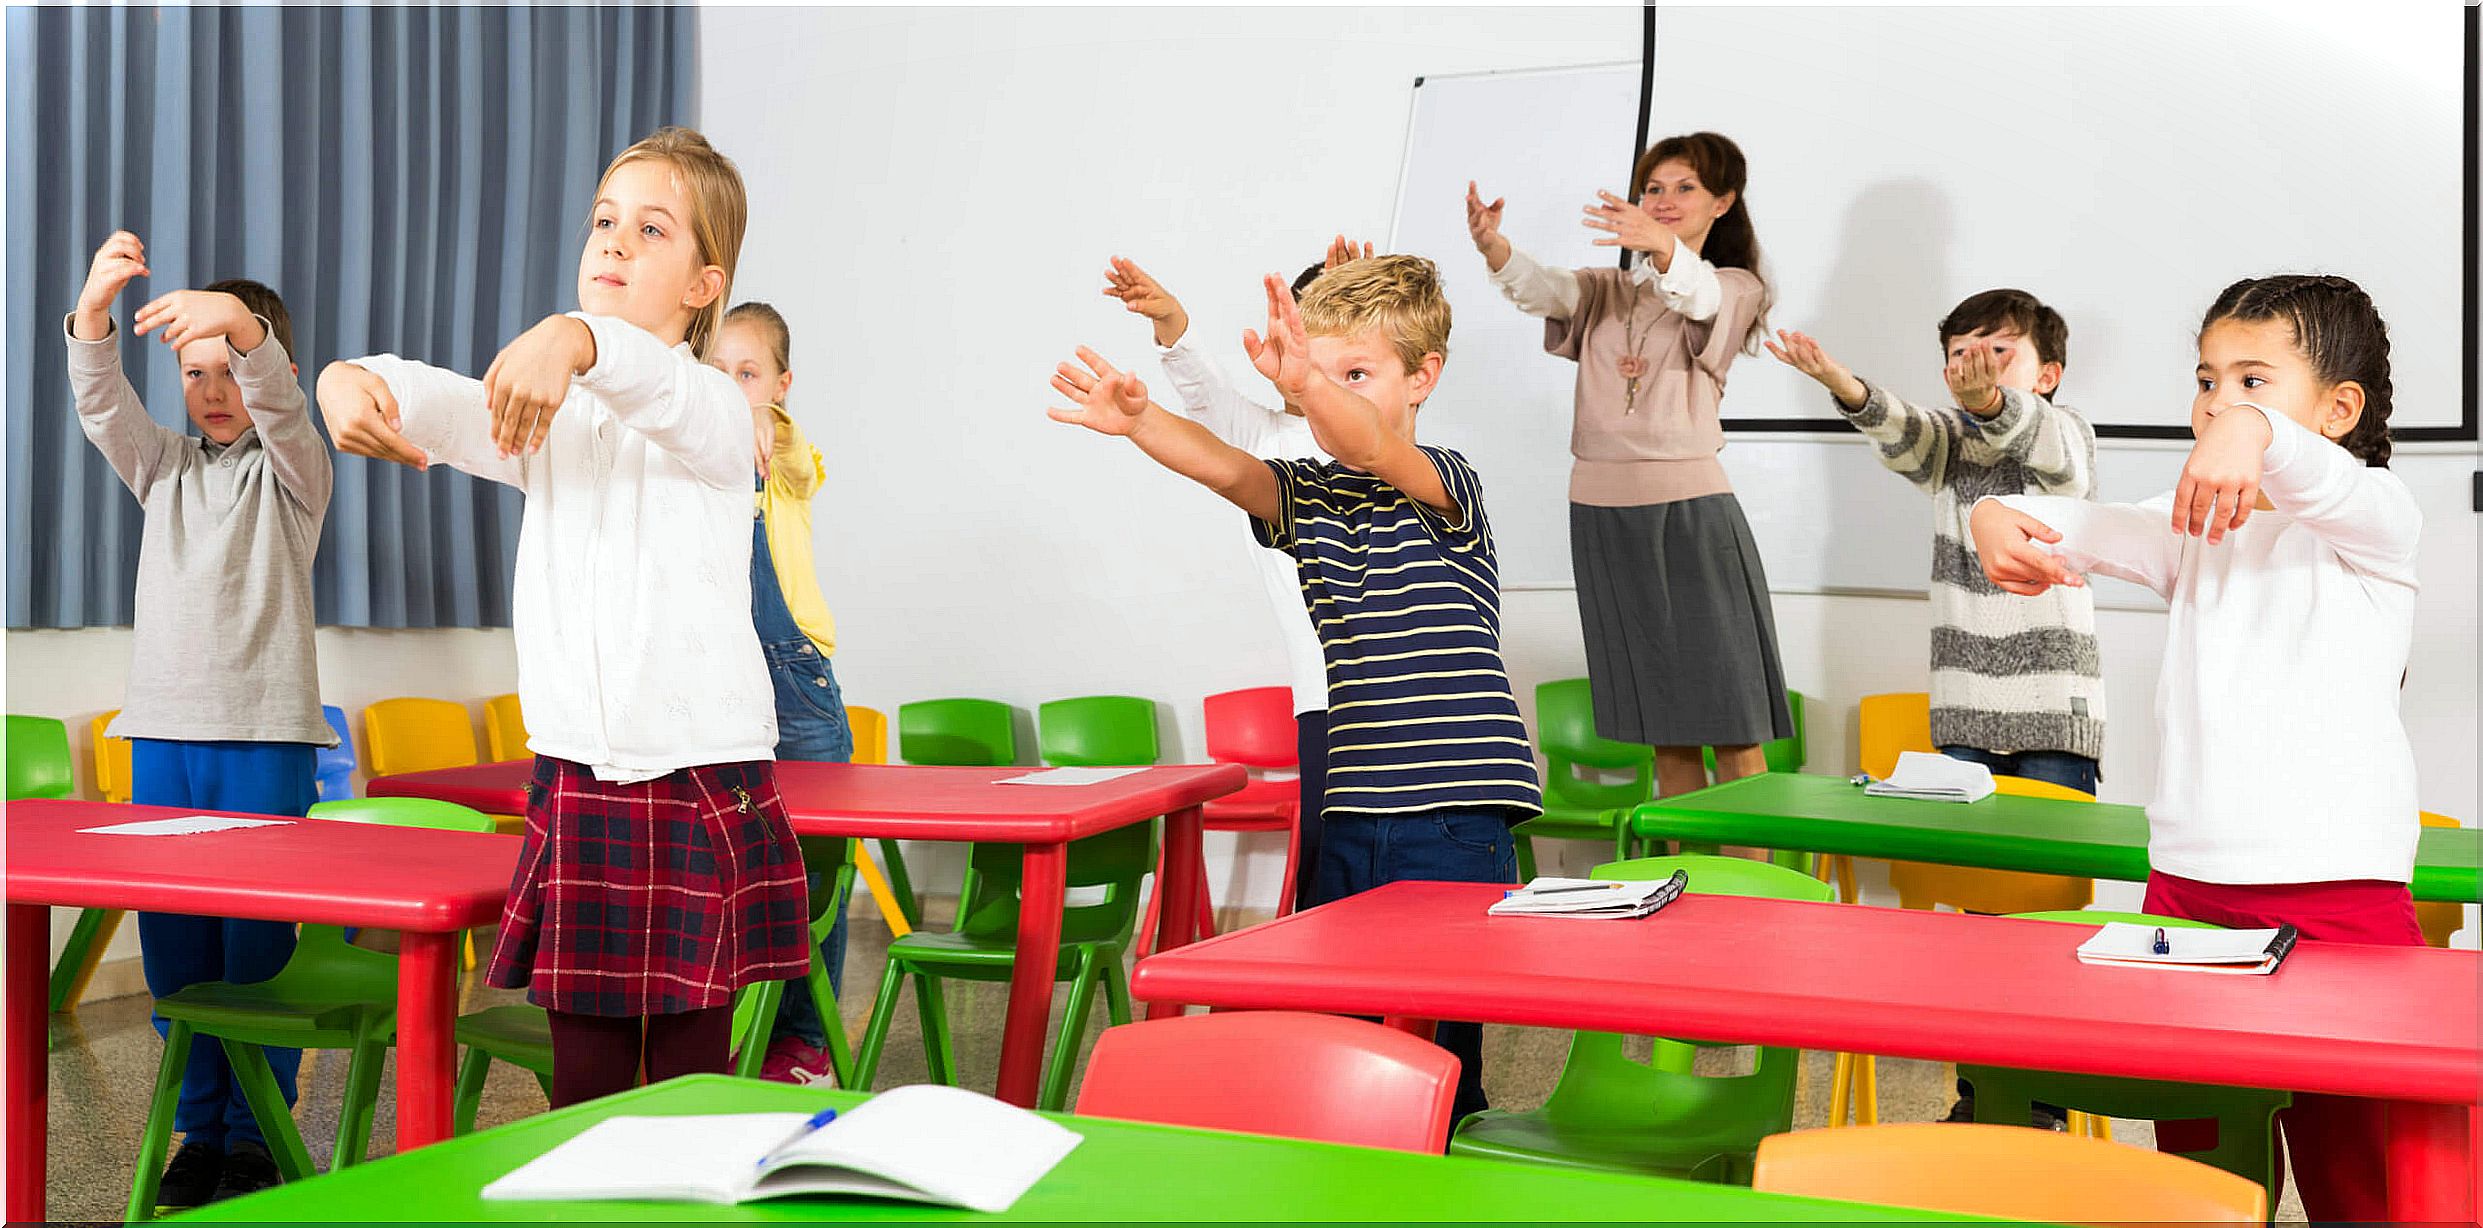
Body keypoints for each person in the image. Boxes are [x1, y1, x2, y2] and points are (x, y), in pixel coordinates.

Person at [317, 127, 808, 1109]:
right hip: (580, 770)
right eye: (603, 221)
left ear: (703, 286)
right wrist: (348, 380)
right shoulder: (559, 416)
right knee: (578, 1078)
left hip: (695, 772)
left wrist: (571, 335)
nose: (615, 244)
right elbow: (449, 405)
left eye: (651, 229)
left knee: (684, 1083)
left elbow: (650, 380)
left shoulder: (715, 407)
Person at [1049, 257, 1541, 1122]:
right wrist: (1140, 421)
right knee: (1340, 1018)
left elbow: (1369, 442)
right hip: (1352, 808)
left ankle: (1450, 1147)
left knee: (1442, 1042)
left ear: (1423, 377)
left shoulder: (1445, 483)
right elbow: (1225, 467)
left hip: (1455, 817)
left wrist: (1307, 381)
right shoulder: (1305, 496)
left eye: (1358, 373)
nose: (1330, 393)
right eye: (1324, 370)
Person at [1970, 273, 2418, 1221]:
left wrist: (2252, 432)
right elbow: (2067, 523)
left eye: (2252, 380)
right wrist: (1992, 515)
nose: (2216, 405)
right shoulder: (2196, 529)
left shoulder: (2377, 520)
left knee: (2367, 1191)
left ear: (2337, 409)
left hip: (2339, 900)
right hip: (2186, 898)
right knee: (2208, 1191)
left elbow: (2315, 477)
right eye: (2206, 381)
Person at [67, 232, 336, 1209]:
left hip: (263, 744)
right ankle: (199, 1127)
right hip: (166, 744)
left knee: (253, 951)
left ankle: (255, 1130)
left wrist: (239, 326)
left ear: (271, 368)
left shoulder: (297, 471)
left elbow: (280, 407)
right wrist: (95, 314)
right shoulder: (166, 469)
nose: (215, 389)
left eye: (232, 367)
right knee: (180, 948)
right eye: (194, 373)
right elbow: (103, 405)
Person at [1468, 131, 1791, 810]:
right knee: (1663, 728)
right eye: (1652, 188)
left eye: (1684, 189)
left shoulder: (1735, 287)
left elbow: (1696, 296)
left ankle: (1754, 894)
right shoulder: (1609, 289)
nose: (1663, 201)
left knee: (1731, 724)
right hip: (1600, 513)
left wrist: (1660, 243)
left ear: (1723, 202)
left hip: (1689, 514)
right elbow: (1544, 289)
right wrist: (1494, 246)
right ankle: (1686, 884)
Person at [1096, 236, 1369, 907]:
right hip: (1326, 698)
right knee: (1332, 869)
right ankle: (1325, 1004)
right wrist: (1170, 320)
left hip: (1409, 696)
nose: (1311, 354)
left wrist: (1364, 308)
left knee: (1403, 870)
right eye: (1301, 331)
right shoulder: (1266, 439)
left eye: (1334, 336)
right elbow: (1203, 392)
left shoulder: (1383, 438)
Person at [1766, 289, 2102, 793]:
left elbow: (2045, 444)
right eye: (1960, 354)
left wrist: (1990, 404)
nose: (1976, 364)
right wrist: (1843, 385)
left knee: (2049, 869)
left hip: (2054, 714)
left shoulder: (2069, 431)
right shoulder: (1946, 442)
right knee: (1963, 867)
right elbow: (1900, 424)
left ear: (2048, 375)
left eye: (1998, 351)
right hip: (1963, 711)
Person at [711, 300, 854, 1083]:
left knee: (814, 876)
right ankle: (744, 1026)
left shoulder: (789, 463)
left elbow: (799, 461)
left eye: (748, 375)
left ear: (781, 384)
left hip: (794, 685)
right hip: (722, 681)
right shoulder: (698, 462)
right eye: (716, 375)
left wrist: (770, 423)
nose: (731, 391)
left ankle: (808, 1039)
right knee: (737, 873)